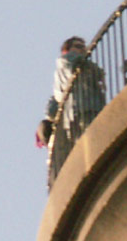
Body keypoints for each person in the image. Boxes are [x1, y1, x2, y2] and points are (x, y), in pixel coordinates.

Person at [39, 36, 105, 183]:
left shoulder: (62, 77)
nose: (84, 49)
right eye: (79, 46)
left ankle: (84, 173)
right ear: (66, 50)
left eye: (84, 46)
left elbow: (52, 108)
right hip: (86, 108)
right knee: (93, 142)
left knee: (82, 146)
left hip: (74, 115)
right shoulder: (69, 60)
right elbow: (89, 69)